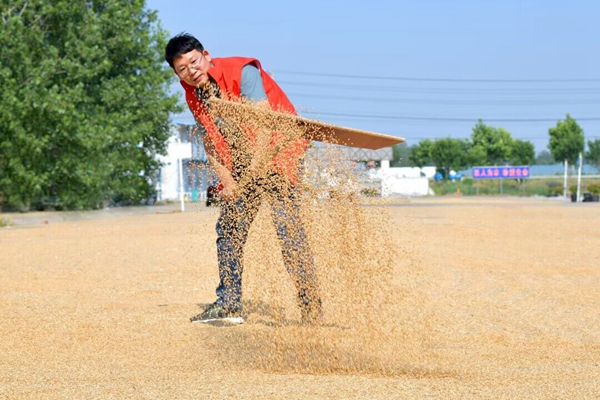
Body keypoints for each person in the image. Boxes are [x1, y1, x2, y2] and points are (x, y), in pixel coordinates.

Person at [164, 33, 321, 325]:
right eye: (182, 70)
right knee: (229, 230)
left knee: (289, 233)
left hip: (280, 148)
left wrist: (253, 172)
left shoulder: (242, 71)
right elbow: (210, 142)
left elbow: (264, 124)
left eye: (193, 62)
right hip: (243, 159)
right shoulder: (194, 94)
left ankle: (311, 309)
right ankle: (229, 304)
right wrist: (230, 183)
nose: (191, 71)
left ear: (206, 55)